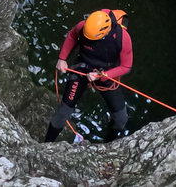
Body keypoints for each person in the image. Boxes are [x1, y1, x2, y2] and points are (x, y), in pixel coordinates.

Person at [44, 9, 132, 143]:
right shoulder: (83, 26)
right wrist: (62, 58)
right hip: (83, 67)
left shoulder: (122, 38)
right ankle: (46, 145)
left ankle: (107, 146)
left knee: (121, 119)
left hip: (105, 73)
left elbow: (126, 67)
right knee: (62, 112)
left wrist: (103, 75)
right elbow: (72, 36)